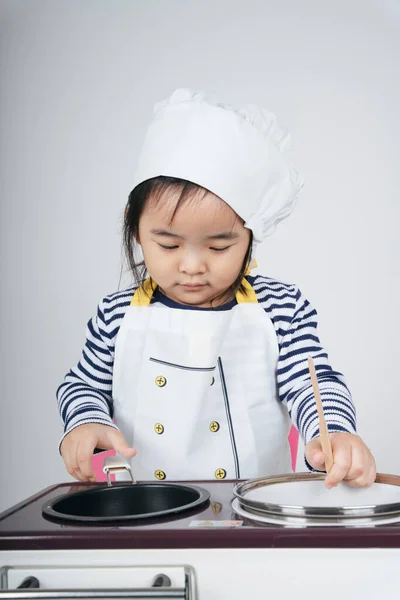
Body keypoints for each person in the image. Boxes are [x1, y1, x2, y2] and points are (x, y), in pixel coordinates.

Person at [57, 88, 376, 489]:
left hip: (254, 513)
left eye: (219, 246)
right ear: (135, 226)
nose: (192, 266)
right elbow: (83, 385)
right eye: (168, 245)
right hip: (142, 510)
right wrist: (86, 422)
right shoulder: (116, 315)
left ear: (250, 237)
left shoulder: (281, 307)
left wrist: (332, 432)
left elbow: (311, 381)